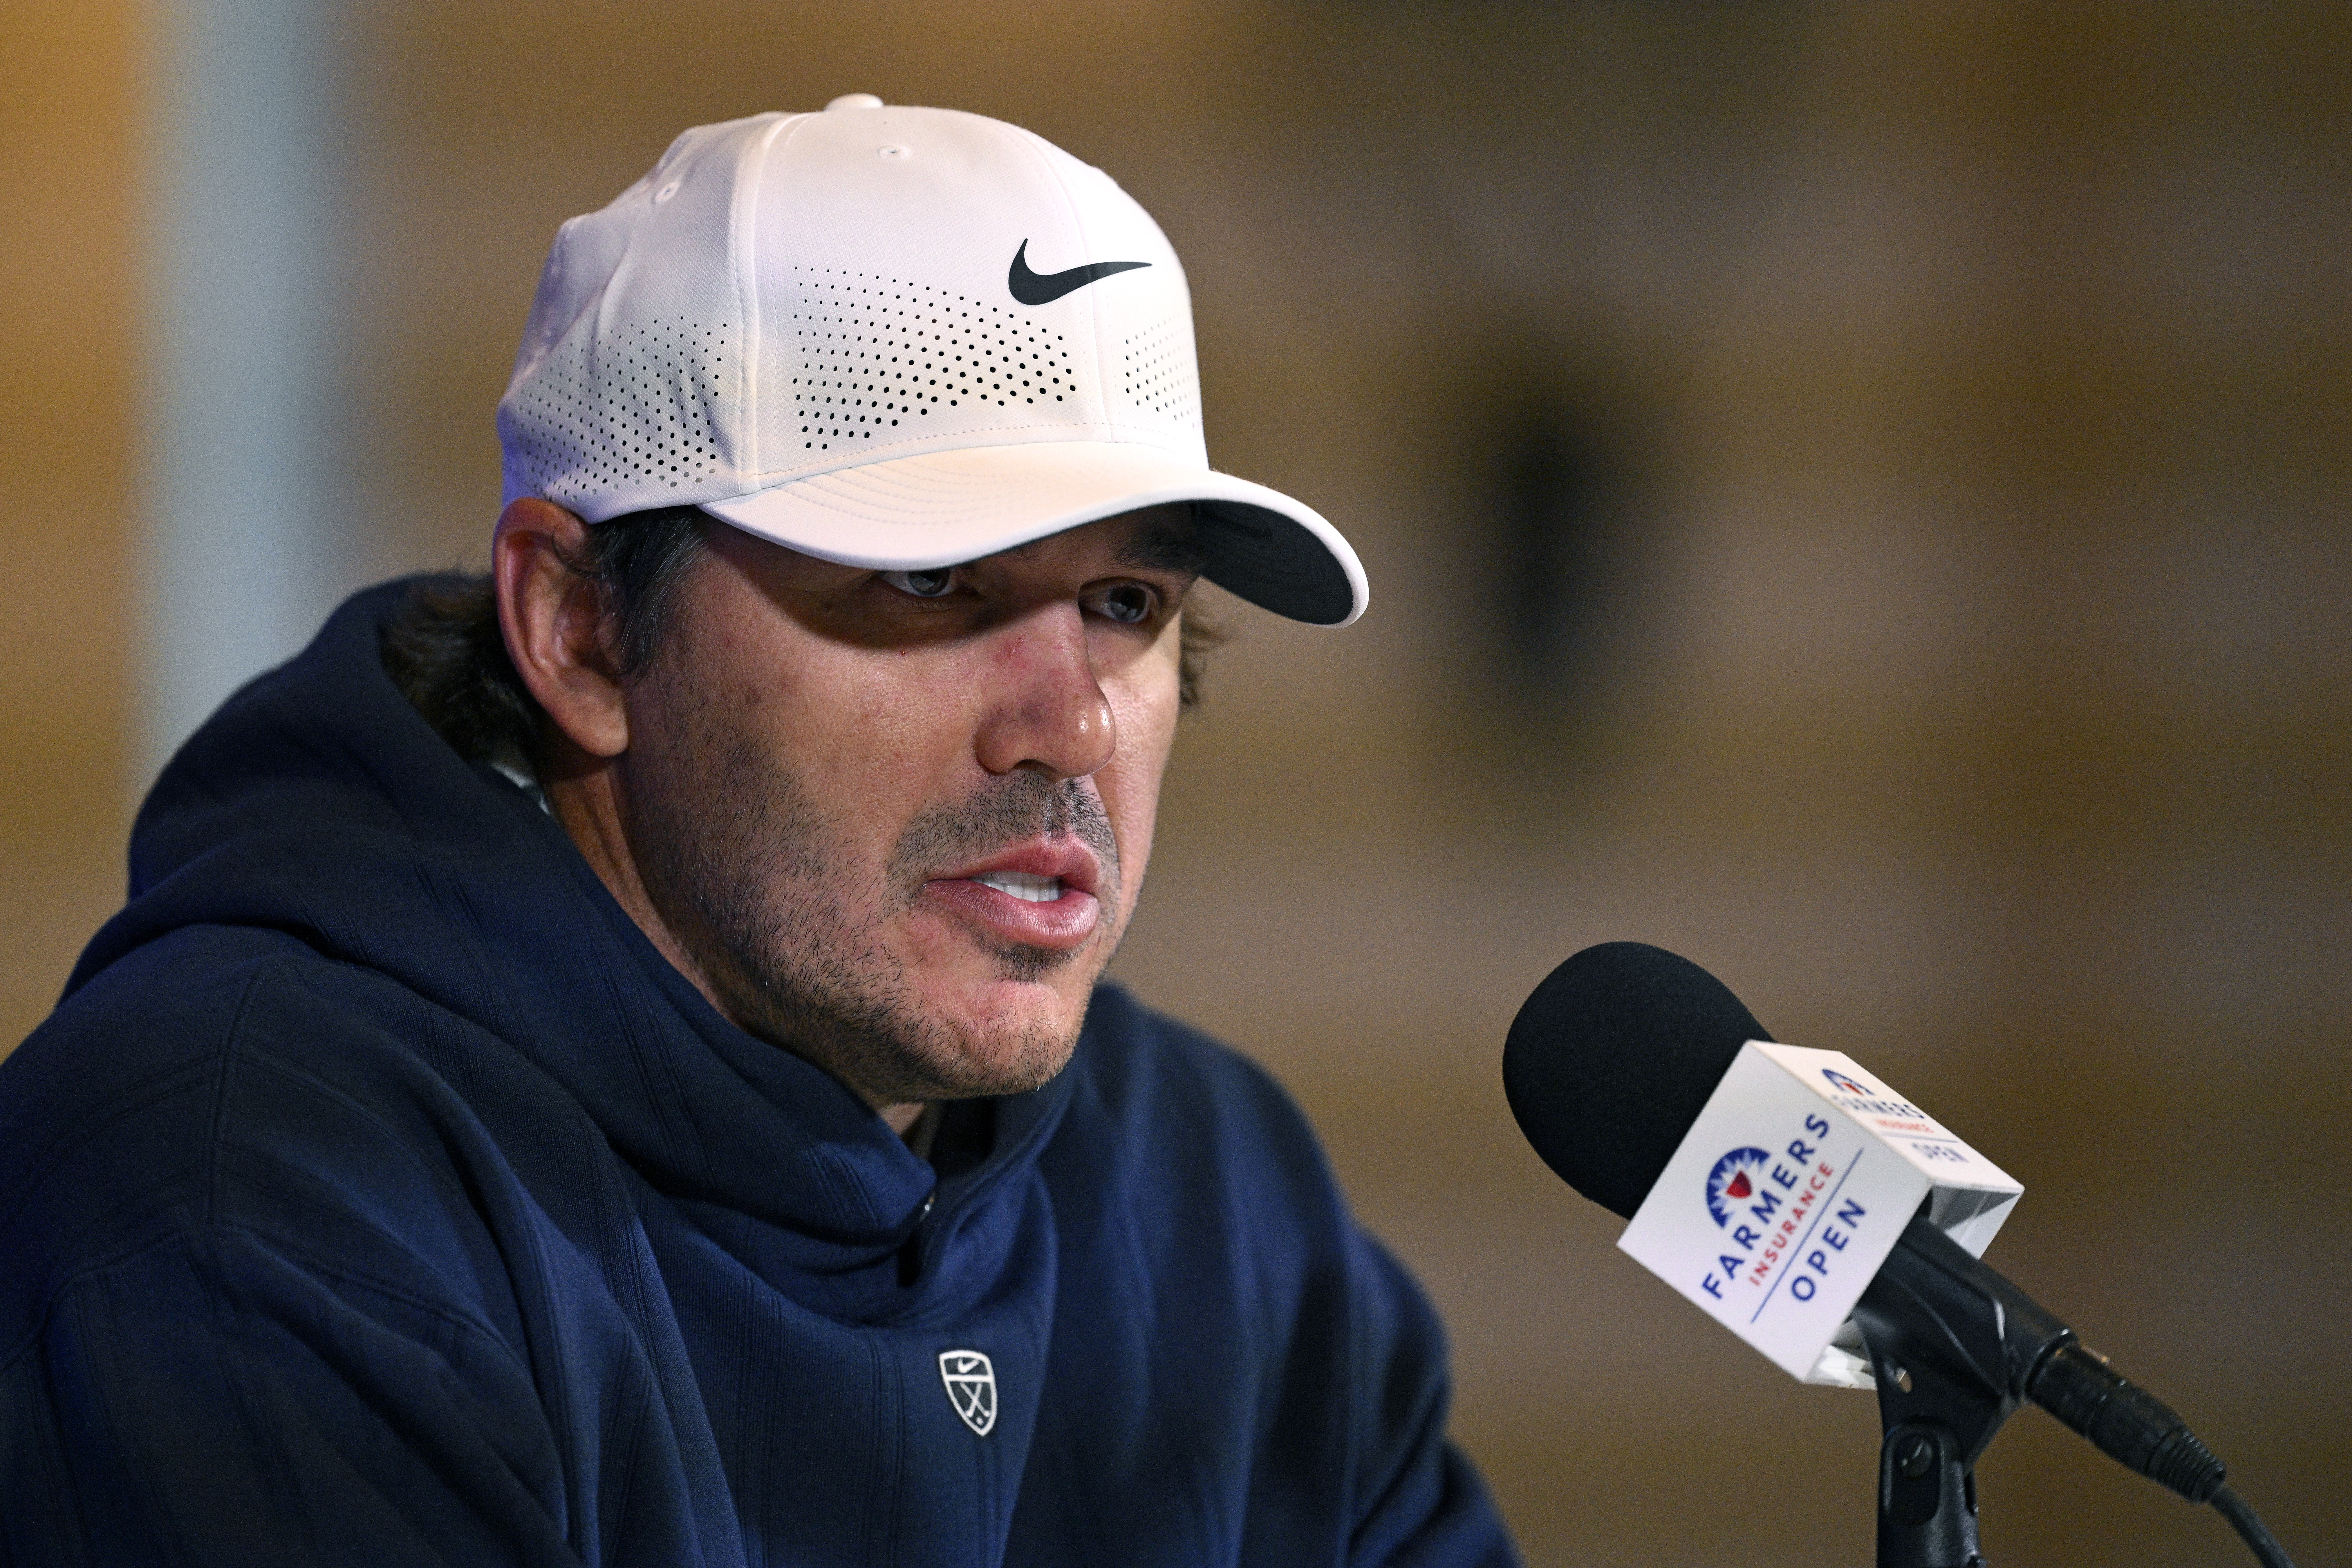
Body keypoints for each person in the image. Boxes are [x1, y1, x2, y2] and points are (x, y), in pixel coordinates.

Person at [0, 99, 1515, 1566]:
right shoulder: (242, 1184)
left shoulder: (1215, 1194)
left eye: (1126, 601)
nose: (1071, 727)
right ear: (582, 632)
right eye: (931, 582)